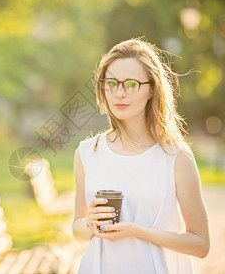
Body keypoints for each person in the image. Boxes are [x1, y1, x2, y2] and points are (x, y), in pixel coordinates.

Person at [72, 38, 210, 273]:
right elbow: (77, 229)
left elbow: (201, 244)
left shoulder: (176, 157)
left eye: (131, 84)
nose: (119, 93)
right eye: (111, 83)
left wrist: (137, 231)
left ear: (152, 89)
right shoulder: (87, 152)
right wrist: (89, 222)